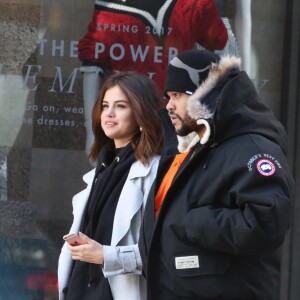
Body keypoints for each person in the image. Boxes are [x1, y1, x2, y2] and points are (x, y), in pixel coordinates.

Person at [139, 50, 294, 299]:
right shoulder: (193, 150)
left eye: (177, 95)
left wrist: (194, 222)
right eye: (168, 96)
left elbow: (267, 223)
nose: (168, 104)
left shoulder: (252, 147)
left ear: (205, 94)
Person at [58, 71, 164, 300]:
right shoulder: (98, 173)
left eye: (121, 106)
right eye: (105, 105)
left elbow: (162, 251)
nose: (110, 113)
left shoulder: (155, 172)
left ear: (141, 113)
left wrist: (106, 256)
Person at [78, 0, 228, 157]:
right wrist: (92, 132)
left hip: (175, 127)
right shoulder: (111, 5)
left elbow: (219, 45)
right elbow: (93, 63)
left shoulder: (192, 4)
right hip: (126, 124)